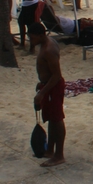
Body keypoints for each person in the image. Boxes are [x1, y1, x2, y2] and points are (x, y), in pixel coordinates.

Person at [29, 23, 66, 167]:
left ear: (40, 35)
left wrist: (42, 93)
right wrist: (42, 84)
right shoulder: (46, 44)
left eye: (32, 38)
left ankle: (59, 155)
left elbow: (57, 75)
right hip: (48, 85)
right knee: (51, 118)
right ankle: (50, 150)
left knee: (57, 119)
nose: (31, 41)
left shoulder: (49, 50)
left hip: (54, 87)